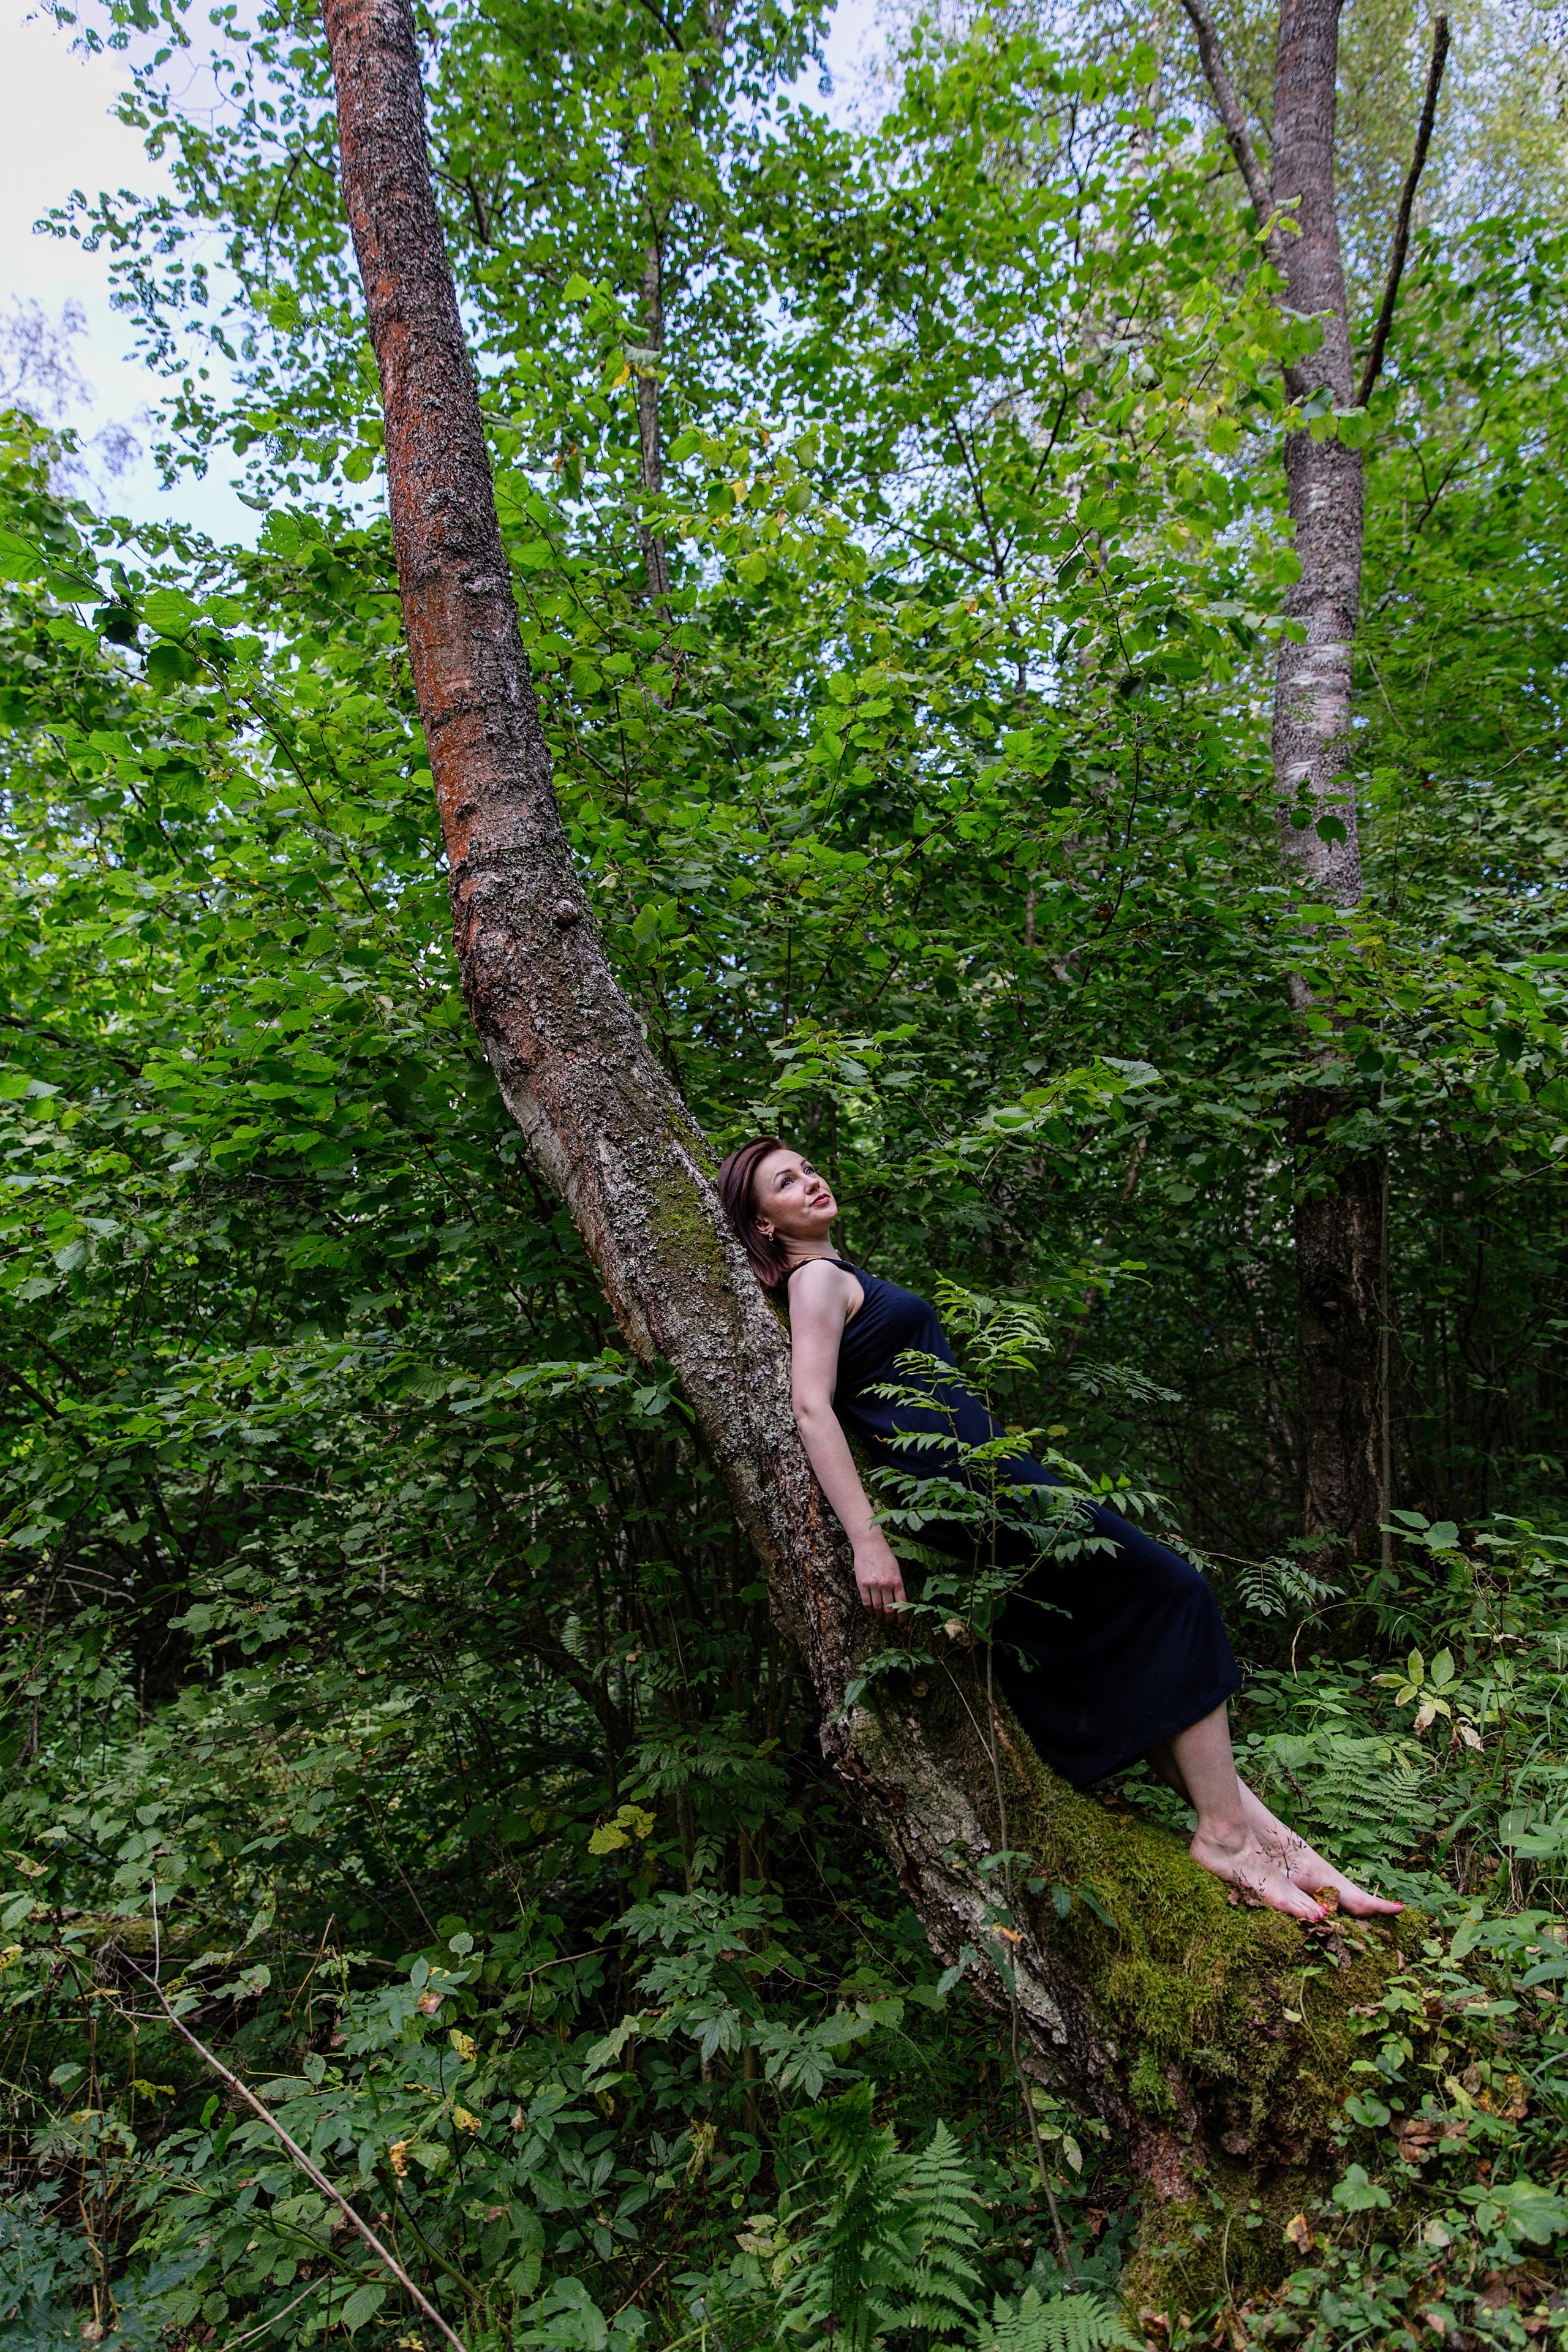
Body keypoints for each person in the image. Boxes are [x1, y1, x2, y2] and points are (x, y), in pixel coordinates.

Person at [716, 1136, 1403, 1926]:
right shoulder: (816, 1281)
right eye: (784, 1183)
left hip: (984, 1478)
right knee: (1175, 1594)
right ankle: (1222, 1836)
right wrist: (867, 1538)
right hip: (970, 1487)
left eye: (807, 1167)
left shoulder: (840, 1276)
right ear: (764, 1224)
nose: (809, 1181)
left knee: (1126, 1650)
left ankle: (1285, 1851)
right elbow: (811, 1406)